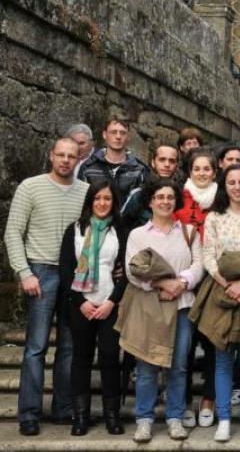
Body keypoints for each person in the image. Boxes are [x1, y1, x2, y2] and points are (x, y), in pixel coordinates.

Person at [5, 137, 89, 436]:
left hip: (75, 274)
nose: (66, 160)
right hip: (40, 270)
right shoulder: (30, 186)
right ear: (51, 156)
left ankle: (63, 408)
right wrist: (24, 272)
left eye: (71, 156)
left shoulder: (86, 192)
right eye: (61, 155)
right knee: (36, 347)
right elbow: (13, 232)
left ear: (79, 159)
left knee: (69, 346)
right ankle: (29, 412)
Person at [190, 165, 240, 442]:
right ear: (224, 186)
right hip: (221, 294)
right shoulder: (214, 218)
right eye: (232, 182)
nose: (237, 187)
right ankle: (224, 417)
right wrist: (229, 285)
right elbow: (209, 256)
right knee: (223, 359)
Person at [123, 179, 204, 443]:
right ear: (150, 201)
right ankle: (144, 419)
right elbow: (132, 270)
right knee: (146, 366)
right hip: (149, 307)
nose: (165, 202)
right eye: (160, 197)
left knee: (178, 366)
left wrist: (181, 284)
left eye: (170, 197)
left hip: (181, 306)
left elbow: (199, 264)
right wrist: (162, 283)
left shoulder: (189, 232)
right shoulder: (138, 234)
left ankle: (175, 418)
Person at [60, 180, 128, 436]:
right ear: (90, 201)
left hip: (110, 304)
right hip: (82, 305)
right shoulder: (75, 230)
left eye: (107, 199)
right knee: (81, 359)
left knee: (110, 357)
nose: (102, 203)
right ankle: (81, 417)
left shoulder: (121, 231)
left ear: (114, 202)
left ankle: (112, 416)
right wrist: (81, 302)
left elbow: (127, 272)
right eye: (97, 198)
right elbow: (66, 270)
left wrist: (112, 301)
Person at [172, 149, 218, 426]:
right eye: (197, 168)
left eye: (207, 169)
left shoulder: (221, 200)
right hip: (185, 278)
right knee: (184, 345)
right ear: (190, 172)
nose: (202, 173)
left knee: (212, 342)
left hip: (213, 280)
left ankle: (209, 397)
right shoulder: (177, 199)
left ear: (214, 172)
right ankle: (184, 398)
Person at [78, 117, 149, 202]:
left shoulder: (140, 170)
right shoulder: (88, 167)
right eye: (113, 132)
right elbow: (81, 202)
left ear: (128, 137)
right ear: (104, 134)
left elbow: (144, 205)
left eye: (123, 133)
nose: (118, 137)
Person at [122, 143, 183, 229]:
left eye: (172, 161)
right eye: (162, 160)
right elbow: (122, 227)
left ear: (176, 166)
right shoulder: (139, 195)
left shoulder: (183, 196)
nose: (167, 165)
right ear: (153, 163)